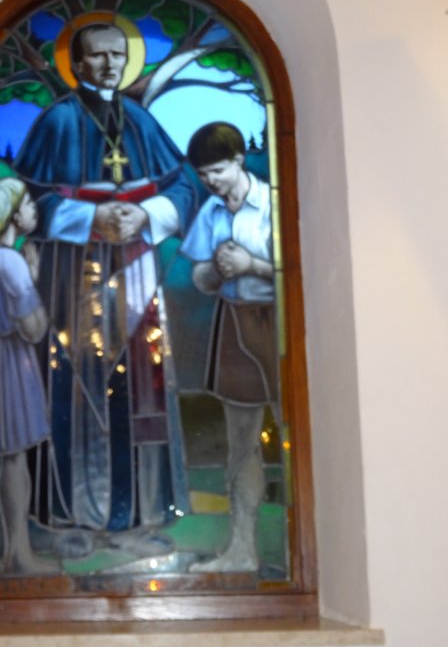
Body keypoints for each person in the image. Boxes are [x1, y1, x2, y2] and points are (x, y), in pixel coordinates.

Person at [13, 20, 195, 543]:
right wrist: (91, 218)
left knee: (140, 386)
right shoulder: (57, 120)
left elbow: (183, 185)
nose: (110, 64)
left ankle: (139, 514)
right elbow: (26, 201)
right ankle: (68, 514)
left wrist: (148, 214)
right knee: (71, 384)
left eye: (118, 55)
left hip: (136, 267)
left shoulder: (140, 118)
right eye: (98, 55)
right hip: (71, 274)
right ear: (77, 64)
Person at [180, 122, 278, 573]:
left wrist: (251, 264)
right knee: (241, 442)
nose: (211, 181)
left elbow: (295, 268)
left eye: (217, 170)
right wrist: (218, 271)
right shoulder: (212, 212)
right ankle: (242, 550)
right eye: (203, 175)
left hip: (278, 323)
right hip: (233, 322)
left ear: (239, 160)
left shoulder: (272, 203)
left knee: (293, 424)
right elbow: (200, 278)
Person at [0, 177, 59, 579]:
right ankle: (18, 554)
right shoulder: (12, 261)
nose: (35, 210)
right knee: (15, 459)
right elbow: (34, 328)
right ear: (14, 216)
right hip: (11, 364)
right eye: (29, 205)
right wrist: (32, 280)